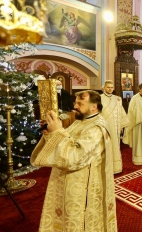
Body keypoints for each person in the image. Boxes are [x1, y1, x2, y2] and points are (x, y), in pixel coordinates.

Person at [31, 90, 117, 231]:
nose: (75, 106)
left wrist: (58, 131)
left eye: (80, 103)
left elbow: (74, 157)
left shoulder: (96, 128)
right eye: (75, 102)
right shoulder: (81, 121)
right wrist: (49, 132)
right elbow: (66, 141)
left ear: (93, 107)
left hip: (82, 187)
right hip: (69, 180)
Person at [100, 80, 130, 174]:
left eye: (111, 87)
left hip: (115, 126)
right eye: (108, 87)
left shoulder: (118, 99)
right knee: (104, 146)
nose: (110, 89)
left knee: (115, 146)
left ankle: (115, 167)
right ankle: (105, 168)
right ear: (104, 87)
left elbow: (121, 111)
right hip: (104, 126)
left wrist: (121, 125)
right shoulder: (99, 98)